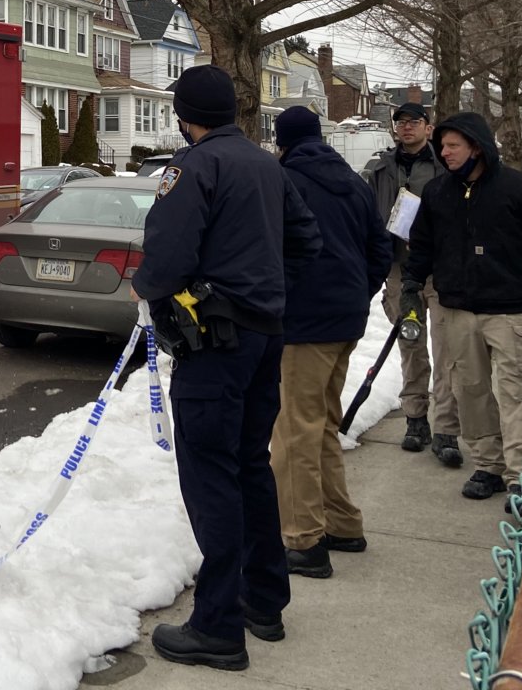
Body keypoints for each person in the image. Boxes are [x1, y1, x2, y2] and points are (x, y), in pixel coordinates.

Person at [131, 65, 322, 671]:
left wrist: (161, 290)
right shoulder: (268, 165)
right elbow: (306, 241)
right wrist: (262, 290)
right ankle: (262, 601)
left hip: (216, 346)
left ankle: (216, 627)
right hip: (264, 337)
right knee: (250, 466)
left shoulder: (193, 167)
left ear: (185, 116)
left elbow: (166, 256)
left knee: (211, 476)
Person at [400, 112, 522, 501]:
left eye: (453, 146)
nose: (445, 152)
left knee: (518, 394)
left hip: (510, 311)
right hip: (458, 310)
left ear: (476, 148)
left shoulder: (520, 190)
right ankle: (488, 465)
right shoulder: (438, 193)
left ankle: (521, 476)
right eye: (442, 146)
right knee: (470, 392)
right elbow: (423, 246)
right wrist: (411, 285)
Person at [271, 106, 390, 579]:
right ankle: (342, 524)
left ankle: (303, 540)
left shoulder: (286, 181)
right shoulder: (355, 183)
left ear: (283, 142)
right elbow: (380, 249)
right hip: (345, 321)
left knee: (294, 431)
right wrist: (357, 295)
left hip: (304, 325)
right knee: (321, 424)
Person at [363, 102, 461, 466]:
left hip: (438, 270)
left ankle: (447, 428)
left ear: (428, 127)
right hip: (398, 270)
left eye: (414, 122)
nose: (407, 127)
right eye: (401, 122)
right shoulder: (380, 169)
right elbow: (370, 216)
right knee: (411, 345)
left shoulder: (444, 166)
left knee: (447, 349)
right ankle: (416, 420)